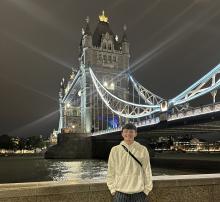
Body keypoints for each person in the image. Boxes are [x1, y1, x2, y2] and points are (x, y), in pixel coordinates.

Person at [106, 123, 153, 202]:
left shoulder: (142, 149)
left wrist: (147, 190)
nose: (128, 134)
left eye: (131, 131)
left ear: (135, 133)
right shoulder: (115, 150)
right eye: (126, 131)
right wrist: (112, 189)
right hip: (120, 192)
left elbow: (147, 169)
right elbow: (111, 170)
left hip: (139, 192)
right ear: (122, 134)